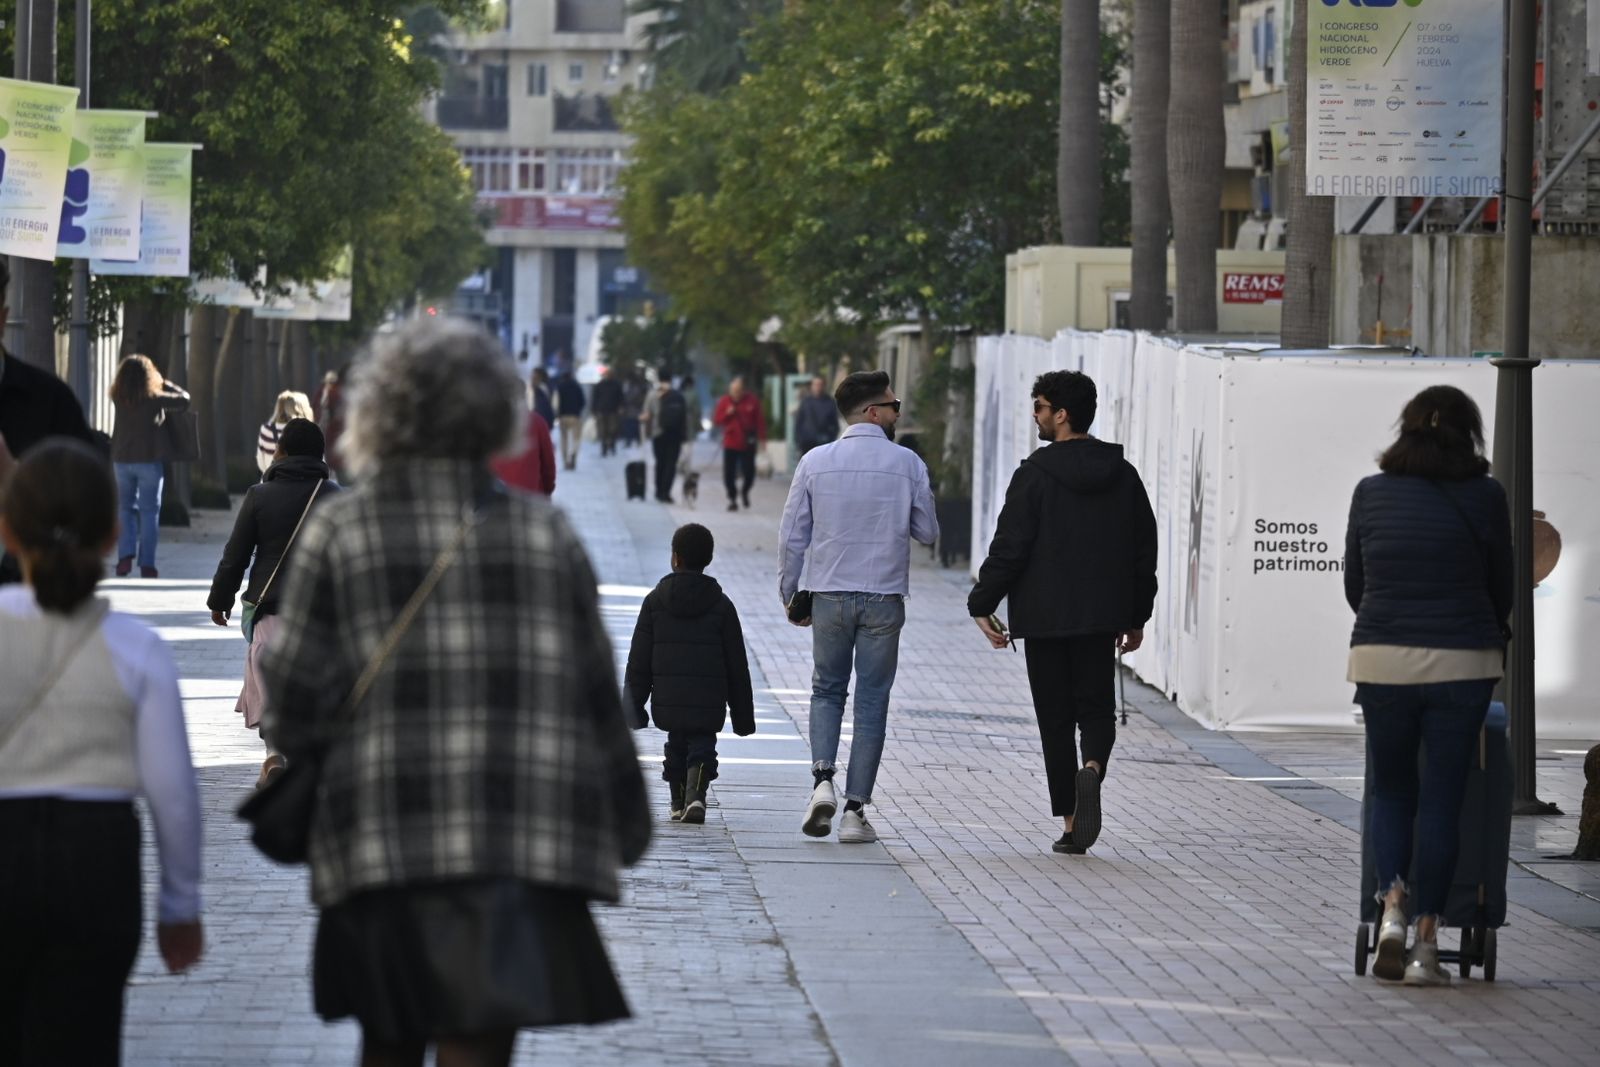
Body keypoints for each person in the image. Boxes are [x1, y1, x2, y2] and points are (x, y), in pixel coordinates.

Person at [259, 320, 649, 1067]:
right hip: (510, 842)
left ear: (381, 410)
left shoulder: (341, 531)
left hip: (377, 840)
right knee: (480, 1040)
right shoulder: (547, 536)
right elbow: (595, 698)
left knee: (388, 1038)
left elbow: (295, 700)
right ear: (494, 414)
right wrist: (625, 819)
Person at [0, 439, 203, 1063]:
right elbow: (173, 793)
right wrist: (180, 904)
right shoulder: (138, 647)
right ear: (114, 534)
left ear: (7, 532)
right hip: (97, 859)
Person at [1344, 384, 1510, 987]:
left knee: (1392, 790)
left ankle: (1390, 908)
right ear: (1469, 435)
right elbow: (1501, 587)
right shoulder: (1486, 496)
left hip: (1382, 658)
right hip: (1463, 663)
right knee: (1443, 798)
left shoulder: (1371, 491)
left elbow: (1355, 584)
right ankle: (1426, 943)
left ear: (1407, 429)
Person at [967, 371, 1157, 856]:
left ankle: (1073, 824)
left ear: (1062, 414)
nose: (1035, 415)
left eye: (1040, 407)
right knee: (1096, 708)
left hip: (1044, 616)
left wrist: (982, 603)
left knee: (1054, 720)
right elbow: (1144, 551)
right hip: (1101, 616)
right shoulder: (1123, 475)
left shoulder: (1034, 475)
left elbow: (1010, 547)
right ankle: (1092, 768)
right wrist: (1137, 616)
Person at [777, 371, 938, 843]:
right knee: (872, 701)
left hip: (828, 596)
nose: (897, 413)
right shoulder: (908, 463)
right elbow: (927, 531)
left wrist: (789, 592)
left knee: (826, 691)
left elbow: (792, 535)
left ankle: (822, 781)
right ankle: (854, 811)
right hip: (884, 599)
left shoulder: (815, 461)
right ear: (873, 411)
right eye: (893, 406)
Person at [206, 418, 340, 786]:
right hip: (321, 616)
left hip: (271, 609)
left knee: (271, 684)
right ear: (321, 454)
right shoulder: (336, 498)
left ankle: (274, 754)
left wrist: (220, 599)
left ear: (280, 452)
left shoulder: (259, 496)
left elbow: (235, 556)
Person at [624, 523, 755, 824]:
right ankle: (696, 795)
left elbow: (639, 661)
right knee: (702, 743)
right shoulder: (722, 606)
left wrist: (633, 707)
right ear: (708, 559)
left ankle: (677, 801)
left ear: (675, 558)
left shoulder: (654, 602)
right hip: (709, 698)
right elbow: (737, 666)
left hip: (668, 697)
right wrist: (743, 717)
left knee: (676, 743)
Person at [0, 256, 99, 585]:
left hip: (31, 598)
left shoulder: (51, 402)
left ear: (2, 318)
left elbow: (89, 522)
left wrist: (14, 478)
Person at [109, 354, 190, 579]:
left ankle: (124, 558)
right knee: (149, 512)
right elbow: (184, 400)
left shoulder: (117, 396)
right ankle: (147, 564)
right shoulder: (155, 398)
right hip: (149, 461)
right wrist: (165, 383)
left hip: (122, 460)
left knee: (124, 509)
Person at [713, 375, 766, 511]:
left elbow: (759, 421)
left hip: (748, 442)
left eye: (738, 390)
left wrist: (762, 439)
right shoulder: (725, 401)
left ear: (743, 390)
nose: (736, 393)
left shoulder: (752, 400)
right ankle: (732, 498)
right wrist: (727, 413)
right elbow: (717, 420)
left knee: (749, 472)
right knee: (729, 473)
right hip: (730, 442)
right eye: (733, 391)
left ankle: (745, 491)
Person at [490, 403, 557, 496]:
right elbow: (548, 465)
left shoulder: (485, 422)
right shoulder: (537, 421)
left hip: (495, 497)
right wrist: (547, 491)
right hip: (532, 496)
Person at [642, 378, 689, 503]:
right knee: (671, 464)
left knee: (660, 463)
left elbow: (646, 415)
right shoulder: (678, 396)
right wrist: (684, 435)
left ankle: (658, 491)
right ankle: (666, 492)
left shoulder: (652, 395)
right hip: (675, 435)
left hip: (658, 434)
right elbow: (684, 416)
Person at [256, 389, 315, 474]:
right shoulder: (309, 431)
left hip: (271, 479)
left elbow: (261, 463)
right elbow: (319, 461)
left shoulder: (266, 429)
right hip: (302, 480)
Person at [793, 374, 840, 457]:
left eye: (820, 384)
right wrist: (798, 441)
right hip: (806, 443)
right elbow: (799, 422)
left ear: (824, 386)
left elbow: (835, 424)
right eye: (815, 384)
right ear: (811, 386)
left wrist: (831, 438)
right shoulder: (806, 402)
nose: (817, 387)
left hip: (824, 443)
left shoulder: (830, 402)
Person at [555, 367, 587, 471]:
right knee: (576, 438)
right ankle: (573, 453)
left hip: (563, 416)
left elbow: (556, 402)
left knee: (564, 439)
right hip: (575, 416)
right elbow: (583, 401)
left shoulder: (560, 387)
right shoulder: (577, 387)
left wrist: (558, 414)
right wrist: (577, 410)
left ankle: (565, 460)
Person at [591, 369, 624, 457]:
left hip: (613, 410)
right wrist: (594, 409)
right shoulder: (599, 385)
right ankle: (604, 447)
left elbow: (621, 397)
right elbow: (595, 398)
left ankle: (612, 444)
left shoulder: (616, 385)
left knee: (612, 429)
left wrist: (621, 407)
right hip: (601, 410)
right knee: (603, 430)